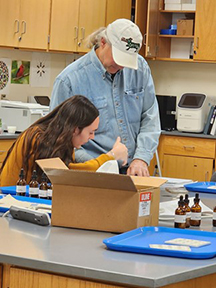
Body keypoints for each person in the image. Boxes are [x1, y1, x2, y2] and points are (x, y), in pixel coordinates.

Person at [50, 18, 161, 177]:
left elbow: (150, 117)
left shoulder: (140, 69)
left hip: (131, 171)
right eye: (118, 58)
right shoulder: (69, 80)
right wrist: (104, 162)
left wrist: (141, 159)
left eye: (127, 61)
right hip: (91, 172)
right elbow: (59, 140)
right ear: (103, 42)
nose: (122, 66)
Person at [0, 95, 128, 187]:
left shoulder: (64, 142)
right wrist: (111, 156)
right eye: (90, 132)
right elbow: (67, 176)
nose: (92, 137)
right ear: (75, 129)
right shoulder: (37, 137)